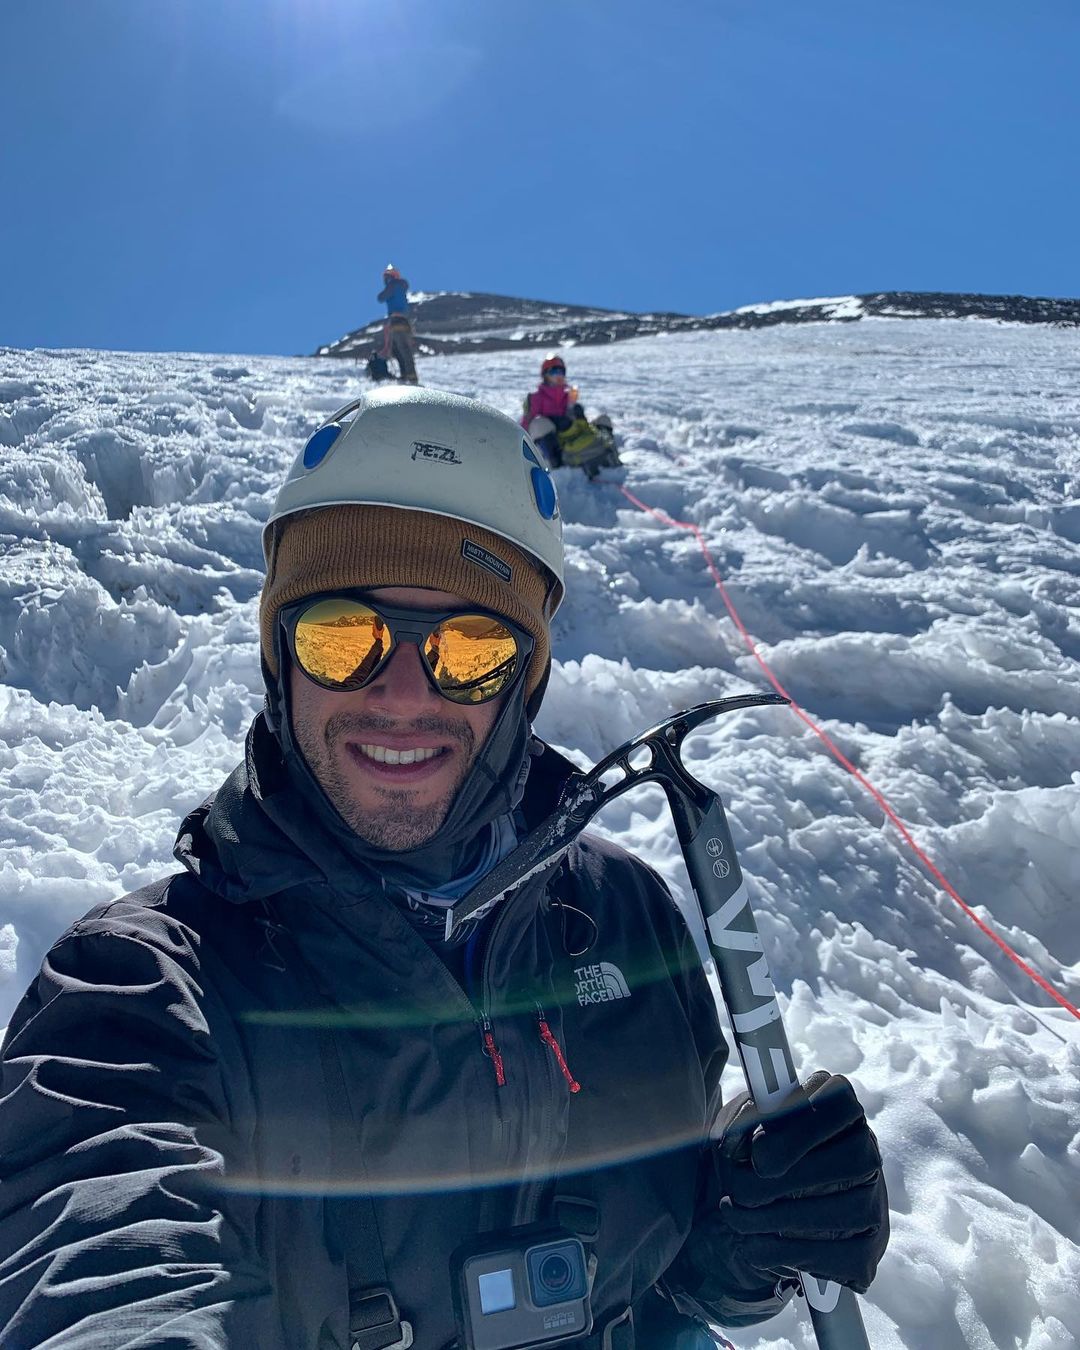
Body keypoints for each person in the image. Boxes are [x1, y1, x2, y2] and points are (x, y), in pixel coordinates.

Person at [0, 387, 888, 1349]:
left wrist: (743, 1246)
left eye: (471, 647)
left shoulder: (629, 919)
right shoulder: (139, 987)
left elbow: (661, 1291)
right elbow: (104, 1257)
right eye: (342, 635)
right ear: (279, 659)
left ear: (525, 680)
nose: (401, 691)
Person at [520, 353, 585, 466]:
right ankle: (555, 465)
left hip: (566, 438)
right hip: (545, 446)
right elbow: (528, 424)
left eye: (561, 372)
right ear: (545, 375)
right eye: (554, 371)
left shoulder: (568, 395)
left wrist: (574, 408)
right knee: (539, 423)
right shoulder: (536, 397)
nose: (559, 375)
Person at [377, 264, 419, 384]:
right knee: (398, 349)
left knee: (402, 349)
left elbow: (381, 297)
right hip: (404, 321)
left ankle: (410, 376)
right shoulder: (401, 287)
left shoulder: (393, 285)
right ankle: (407, 375)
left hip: (396, 321)